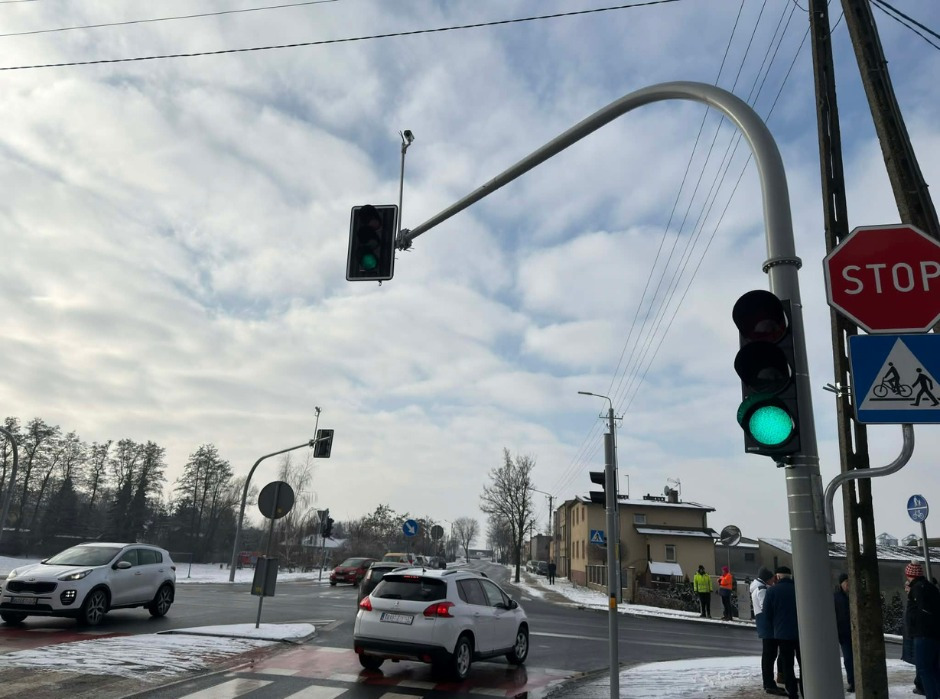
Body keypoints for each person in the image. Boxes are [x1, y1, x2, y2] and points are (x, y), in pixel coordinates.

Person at [763, 566, 802, 699]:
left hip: (782, 634)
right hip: (801, 633)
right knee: (803, 662)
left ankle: (792, 692)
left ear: (777, 577)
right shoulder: (799, 590)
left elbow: (767, 613)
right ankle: (805, 688)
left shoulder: (772, 591)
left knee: (787, 664)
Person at [905, 561, 940, 698]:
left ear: (909, 575)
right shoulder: (931, 588)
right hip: (934, 634)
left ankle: (932, 696)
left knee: (924, 668)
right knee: (933, 668)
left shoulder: (918, 589)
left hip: (923, 635)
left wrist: (915, 625)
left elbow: (922, 611)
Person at [751, 567, 785, 695]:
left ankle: (769, 683)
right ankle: (769, 684)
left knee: (768, 656)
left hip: (765, 626)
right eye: (772, 578)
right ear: (767, 578)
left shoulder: (759, 588)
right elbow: (766, 607)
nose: (773, 580)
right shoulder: (761, 590)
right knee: (769, 656)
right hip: (768, 627)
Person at [902, 577, 927, 696]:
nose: (906, 589)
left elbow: (912, 618)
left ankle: (921, 685)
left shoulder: (914, 600)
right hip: (914, 634)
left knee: (921, 662)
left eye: (907, 587)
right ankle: (920, 684)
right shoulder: (912, 599)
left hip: (917, 635)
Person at [834, 572, 855, 693]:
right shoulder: (837, 597)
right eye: (846, 582)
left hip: (854, 632)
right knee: (848, 658)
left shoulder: (854, 596)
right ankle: (852, 681)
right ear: (841, 584)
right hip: (844, 633)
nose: (848, 585)